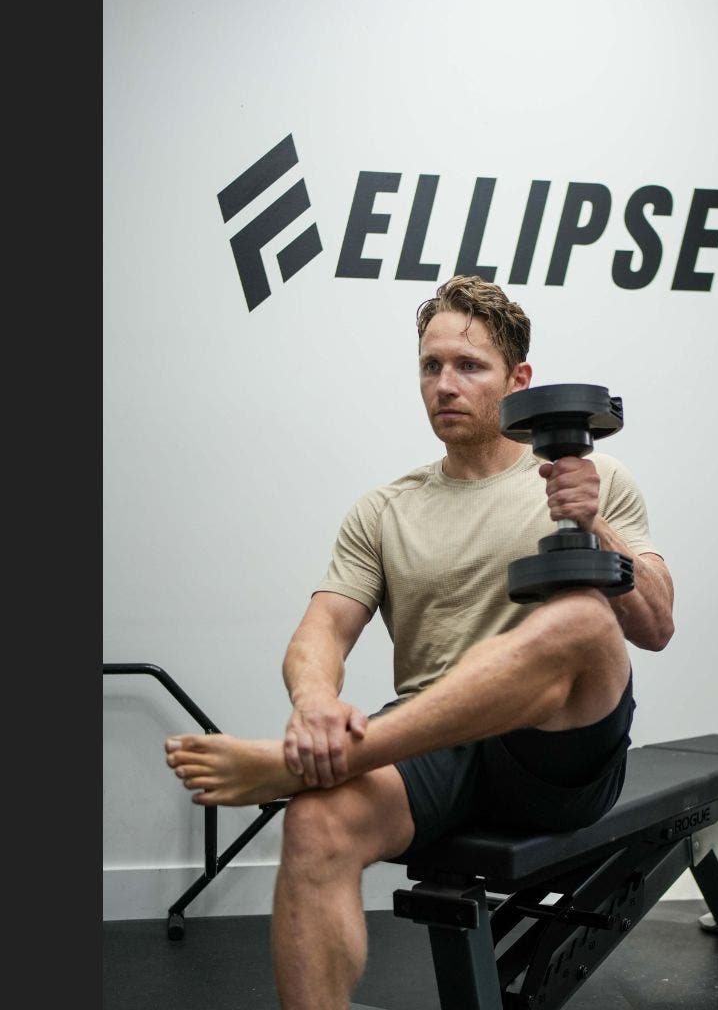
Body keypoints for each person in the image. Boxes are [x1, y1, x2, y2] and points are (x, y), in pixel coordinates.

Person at [162, 274, 675, 1010]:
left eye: (469, 366)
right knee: (316, 819)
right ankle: (322, 767)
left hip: (559, 751)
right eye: (431, 366)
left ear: (519, 380)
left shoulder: (588, 478)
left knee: (586, 620)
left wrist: (594, 524)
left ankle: (324, 761)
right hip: (440, 743)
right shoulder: (385, 509)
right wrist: (313, 707)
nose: (445, 384)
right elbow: (323, 628)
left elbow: (655, 626)